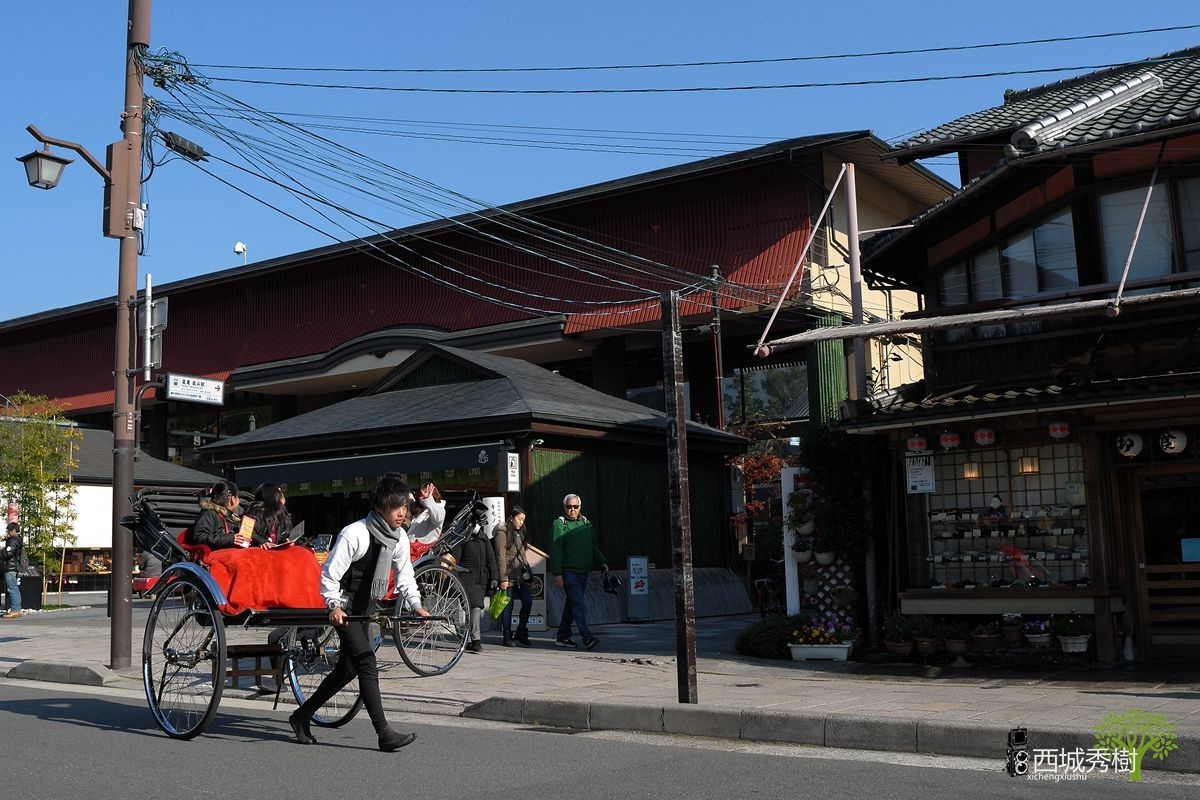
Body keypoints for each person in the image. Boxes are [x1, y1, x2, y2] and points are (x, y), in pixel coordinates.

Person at [288, 474, 427, 751]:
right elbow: (329, 574)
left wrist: (416, 606)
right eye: (395, 507)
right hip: (344, 604)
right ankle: (384, 733)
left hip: (366, 607)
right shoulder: (355, 533)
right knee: (366, 661)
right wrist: (333, 605)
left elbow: (405, 577)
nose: (402, 513)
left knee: (348, 669)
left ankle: (302, 715)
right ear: (379, 508)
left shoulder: (398, 538)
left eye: (405, 507)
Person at [549, 494, 608, 650]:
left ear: (580, 507)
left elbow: (593, 545)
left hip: (583, 571)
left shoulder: (586, 523)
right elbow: (556, 550)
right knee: (578, 603)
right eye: (569, 507)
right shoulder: (560, 524)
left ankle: (562, 636)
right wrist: (557, 573)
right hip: (569, 572)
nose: (572, 510)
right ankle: (586, 637)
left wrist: (602, 561)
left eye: (575, 506)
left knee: (572, 604)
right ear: (564, 508)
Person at [451, 502, 498, 653]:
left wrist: (494, 578)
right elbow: (455, 560)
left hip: (480, 579)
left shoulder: (484, 538)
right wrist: (454, 577)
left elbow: (491, 559)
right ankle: (472, 639)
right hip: (466, 578)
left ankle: (473, 639)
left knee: (474, 608)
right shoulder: (463, 539)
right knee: (473, 608)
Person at [493, 505, 533, 647]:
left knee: (528, 602)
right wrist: (503, 578)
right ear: (511, 518)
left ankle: (521, 631)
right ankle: (507, 636)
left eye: (523, 520)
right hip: (508, 575)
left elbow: (523, 554)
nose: (521, 522)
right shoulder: (502, 532)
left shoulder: (521, 531)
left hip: (521, 575)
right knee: (508, 606)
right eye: (519, 519)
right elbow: (500, 556)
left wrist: (529, 574)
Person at [190, 480, 252, 550]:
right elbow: (199, 537)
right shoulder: (209, 514)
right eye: (238, 497)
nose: (239, 501)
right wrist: (230, 539)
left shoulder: (228, 515)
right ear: (232, 499)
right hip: (213, 556)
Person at [242, 483, 293, 548]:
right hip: (255, 554)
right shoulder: (255, 512)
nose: (282, 495)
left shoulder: (280, 514)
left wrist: (285, 541)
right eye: (279, 492)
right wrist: (261, 541)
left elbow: (279, 536)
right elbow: (245, 532)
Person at [3, 522, 27, 619]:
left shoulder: (12, 540)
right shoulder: (18, 540)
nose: (7, 532)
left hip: (10, 567)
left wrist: (2, 552)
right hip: (13, 567)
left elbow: (8, 553)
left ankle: (15, 610)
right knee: (14, 589)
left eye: (9, 530)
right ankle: (17, 609)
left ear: (13, 531)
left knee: (12, 589)